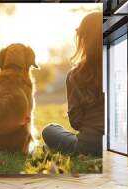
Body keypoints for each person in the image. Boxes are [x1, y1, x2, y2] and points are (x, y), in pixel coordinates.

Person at [42, 12, 104, 157]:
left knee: (50, 129)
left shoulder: (75, 75)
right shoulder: (122, 67)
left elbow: (75, 122)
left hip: (88, 146)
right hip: (119, 144)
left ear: (83, 39)